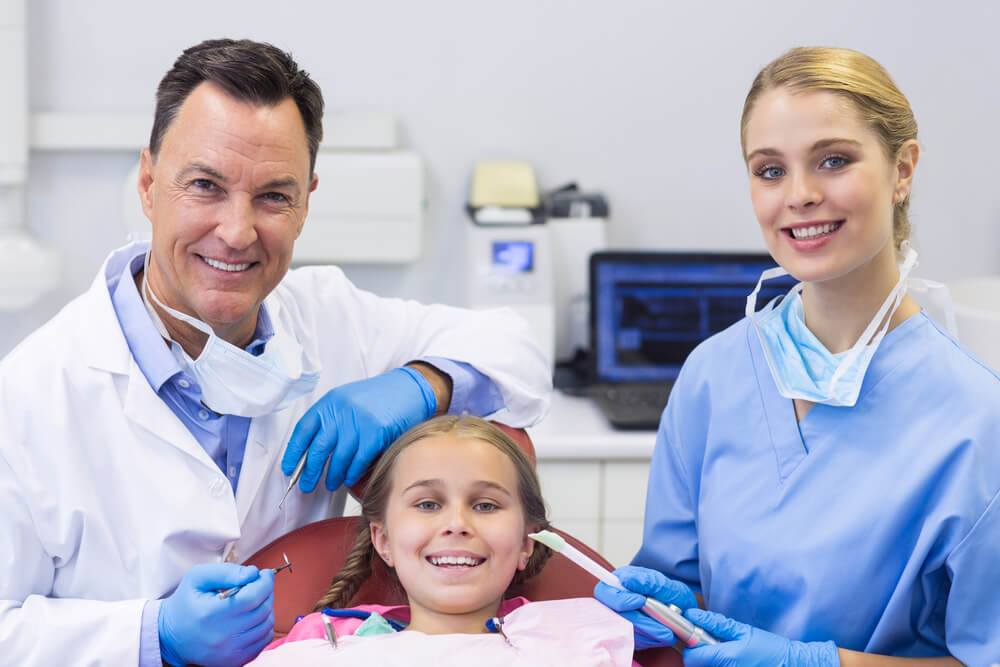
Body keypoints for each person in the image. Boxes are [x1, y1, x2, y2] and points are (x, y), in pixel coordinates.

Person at [0, 39, 551, 667]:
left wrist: (420, 385)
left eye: (273, 197)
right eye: (205, 185)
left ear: (308, 200)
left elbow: (520, 353)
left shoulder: (329, 316)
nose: (237, 232)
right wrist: (153, 634)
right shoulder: (28, 398)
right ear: (149, 184)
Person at [594, 47, 1000, 666]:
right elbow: (685, 591)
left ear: (903, 170)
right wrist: (661, 610)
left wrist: (820, 664)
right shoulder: (713, 375)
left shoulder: (978, 419)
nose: (801, 195)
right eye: (770, 170)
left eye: (833, 161)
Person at [247, 415, 637, 667]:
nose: (456, 524)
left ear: (526, 542)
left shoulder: (580, 643)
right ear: (383, 539)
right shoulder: (317, 650)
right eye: (428, 503)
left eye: (485, 506)